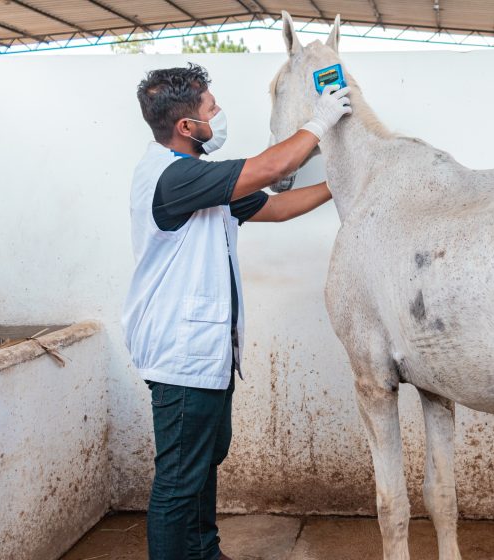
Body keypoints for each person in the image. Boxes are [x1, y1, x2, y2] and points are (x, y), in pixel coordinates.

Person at [121, 62, 351, 560]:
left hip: (208, 354)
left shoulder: (203, 184)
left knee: (202, 466)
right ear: (186, 127)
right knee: (178, 482)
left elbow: (276, 205)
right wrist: (321, 121)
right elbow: (270, 169)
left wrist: (341, 183)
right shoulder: (173, 177)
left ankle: (205, 553)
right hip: (182, 355)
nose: (218, 113)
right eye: (211, 107)